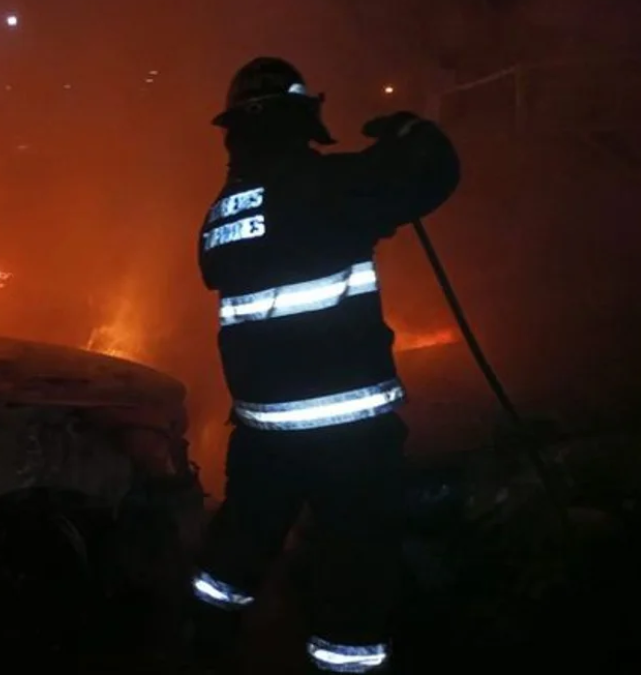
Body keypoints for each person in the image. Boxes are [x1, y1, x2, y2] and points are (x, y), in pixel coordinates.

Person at [190, 57, 460, 673]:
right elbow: (433, 176)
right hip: (348, 434)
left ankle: (204, 647)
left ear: (234, 131)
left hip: (263, 432)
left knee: (237, 548)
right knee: (355, 562)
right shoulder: (330, 186)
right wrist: (410, 131)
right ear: (301, 120)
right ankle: (346, 661)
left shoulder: (220, 215)